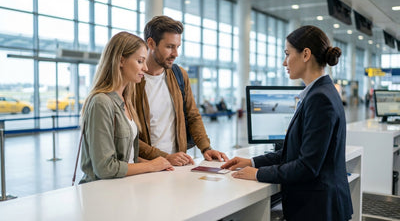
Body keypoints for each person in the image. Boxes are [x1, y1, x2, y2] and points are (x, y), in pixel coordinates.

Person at [221, 25, 353, 221]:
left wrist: (258, 174)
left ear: (306, 54)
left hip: (319, 210)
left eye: (287, 53)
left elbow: (307, 166)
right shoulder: (320, 92)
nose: (284, 62)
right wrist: (252, 162)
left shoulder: (320, 98)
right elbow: (296, 151)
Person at [79, 32, 173, 184]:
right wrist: (150, 165)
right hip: (100, 194)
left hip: (122, 188)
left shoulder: (125, 100)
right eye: (140, 61)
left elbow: (127, 158)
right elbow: (105, 168)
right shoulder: (101, 102)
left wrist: (158, 164)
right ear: (121, 60)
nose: (146, 67)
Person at [135, 15, 228, 166]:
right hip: (146, 165)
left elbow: (192, 115)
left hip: (177, 164)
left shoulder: (179, 75)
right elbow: (127, 136)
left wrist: (205, 147)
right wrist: (163, 157)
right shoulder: (133, 80)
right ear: (151, 43)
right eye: (169, 47)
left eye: (177, 47)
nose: (175, 54)